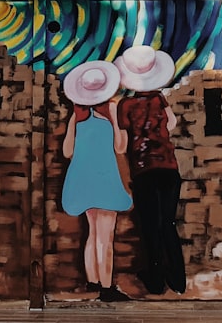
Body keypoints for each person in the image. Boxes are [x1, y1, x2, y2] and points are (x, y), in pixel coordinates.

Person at [114, 45, 187, 295]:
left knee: (149, 225)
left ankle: (155, 281)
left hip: (144, 170)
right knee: (168, 222)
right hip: (169, 168)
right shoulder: (159, 99)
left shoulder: (125, 105)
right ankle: (178, 279)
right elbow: (174, 122)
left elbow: (121, 144)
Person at [61, 60, 132, 302]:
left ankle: (92, 279)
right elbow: (120, 146)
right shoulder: (111, 110)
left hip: (82, 178)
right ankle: (106, 287)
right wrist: (121, 131)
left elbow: (67, 151)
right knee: (106, 236)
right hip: (105, 177)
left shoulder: (76, 116)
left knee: (92, 233)